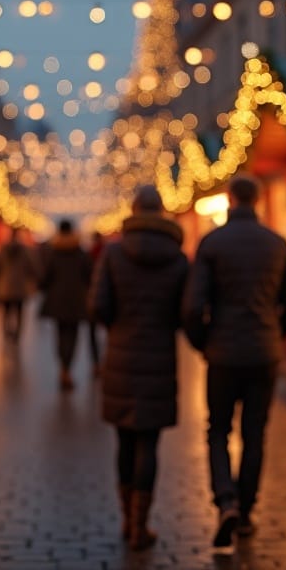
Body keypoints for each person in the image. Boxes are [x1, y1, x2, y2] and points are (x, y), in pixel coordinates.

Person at [183, 175, 286, 547]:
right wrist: (273, 335)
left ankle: (226, 500)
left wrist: (204, 342)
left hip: (223, 352)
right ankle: (247, 510)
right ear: (259, 199)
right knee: (255, 433)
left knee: (217, 430)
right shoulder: (277, 244)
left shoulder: (212, 243)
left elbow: (191, 306)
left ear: (230, 200)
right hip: (263, 353)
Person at [89, 185, 189, 550]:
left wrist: (118, 325)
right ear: (161, 212)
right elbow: (186, 309)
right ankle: (141, 524)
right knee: (149, 442)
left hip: (121, 356)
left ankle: (127, 519)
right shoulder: (178, 259)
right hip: (159, 356)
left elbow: (98, 305)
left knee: (124, 441)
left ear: (133, 211)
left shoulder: (114, 254)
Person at [40, 218, 94, 390]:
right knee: (74, 336)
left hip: (57, 301)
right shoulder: (81, 253)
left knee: (60, 335)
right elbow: (90, 276)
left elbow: (46, 278)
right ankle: (68, 369)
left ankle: (63, 368)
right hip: (77, 300)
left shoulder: (54, 253)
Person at [0, 227, 37, 344]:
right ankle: (17, 334)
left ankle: (7, 331)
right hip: (20, 286)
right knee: (19, 312)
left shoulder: (2, 250)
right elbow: (32, 267)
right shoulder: (24, 250)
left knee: (6, 312)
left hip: (4, 286)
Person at [86, 230, 107, 376]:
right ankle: (103, 361)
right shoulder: (110, 253)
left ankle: (96, 362)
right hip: (108, 297)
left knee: (92, 332)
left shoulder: (89, 254)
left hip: (92, 297)